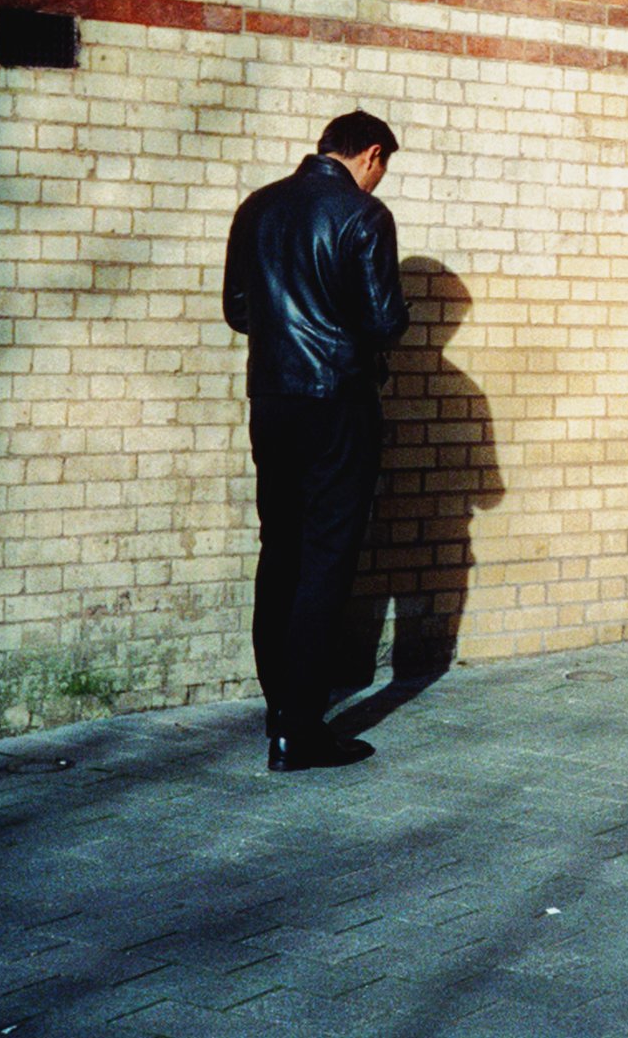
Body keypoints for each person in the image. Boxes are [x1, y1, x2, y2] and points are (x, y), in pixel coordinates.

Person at [223, 110, 409, 771]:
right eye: (384, 166)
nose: (381, 178)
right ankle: (300, 731)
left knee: (281, 551)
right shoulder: (362, 214)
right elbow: (386, 318)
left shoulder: (259, 207)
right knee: (327, 559)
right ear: (371, 154)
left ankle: (279, 713)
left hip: (272, 398)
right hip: (336, 400)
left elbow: (238, 309)